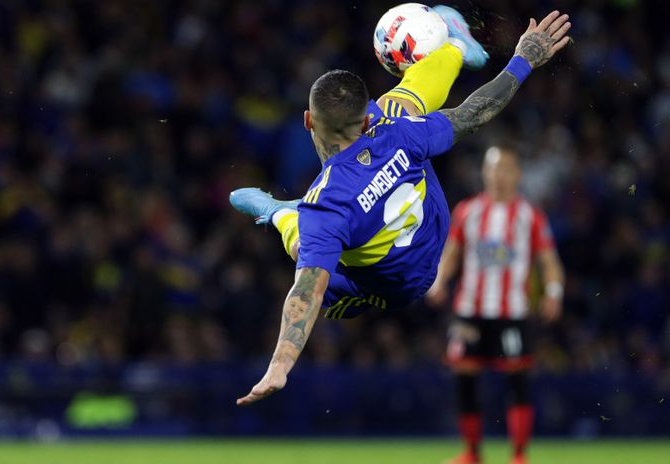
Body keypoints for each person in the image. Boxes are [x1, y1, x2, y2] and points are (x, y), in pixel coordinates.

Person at [229, 10, 571, 407]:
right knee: (403, 107)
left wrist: (279, 367)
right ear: (363, 116)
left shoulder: (327, 208)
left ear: (308, 121)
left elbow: (306, 292)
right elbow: (473, 113)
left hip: (398, 284)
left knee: (306, 240)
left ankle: (277, 213)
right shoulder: (395, 130)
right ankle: (452, 49)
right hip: (432, 227)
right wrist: (524, 58)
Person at [425, 145, 565, 464]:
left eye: (505, 170)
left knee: (517, 379)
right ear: (484, 173)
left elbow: (549, 260)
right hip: (469, 310)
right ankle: (472, 453)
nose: (498, 176)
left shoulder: (529, 215)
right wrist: (439, 281)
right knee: (464, 377)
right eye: (492, 169)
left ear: (517, 174)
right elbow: (452, 253)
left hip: (511, 312)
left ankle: (518, 455)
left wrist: (554, 292)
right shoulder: (468, 211)